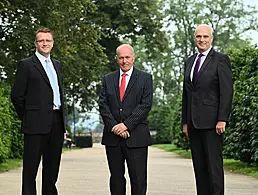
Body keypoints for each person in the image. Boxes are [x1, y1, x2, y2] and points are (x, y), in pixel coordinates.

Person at [11, 27, 65, 195]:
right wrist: (28, 117)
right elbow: (17, 96)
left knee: (52, 168)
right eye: (41, 40)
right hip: (34, 124)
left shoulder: (57, 65)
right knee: (30, 170)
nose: (45, 43)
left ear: (52, 43)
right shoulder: (26, 64)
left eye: (48, 40)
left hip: (56, 122)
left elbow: (59, 94)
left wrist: (64, 123)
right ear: (36, 43)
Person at [182, 24, 233, 195]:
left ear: (211, 38)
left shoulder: (221, 59)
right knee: (200, 168)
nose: (201, 40)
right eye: (198, 37)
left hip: (212, 123)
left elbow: (226, 91)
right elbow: (186, 94)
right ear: (194, 38)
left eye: (205, 37)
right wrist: (185, 122)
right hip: (193, 123)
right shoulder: (190, 61)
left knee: (214, 168)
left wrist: (222, 119)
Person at [99, 44, 153, 195]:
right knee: (116, 180)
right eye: (121, 58)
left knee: (138, 179)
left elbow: (145, 105)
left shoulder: (145, 78)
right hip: (112, 138)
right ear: (117, 59)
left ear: (133, 58)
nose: (124, 61)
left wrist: (126, 125)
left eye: (127, 57)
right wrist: (115, 127)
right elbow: (103, 105)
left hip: (137, 137)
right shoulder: (107, 79)